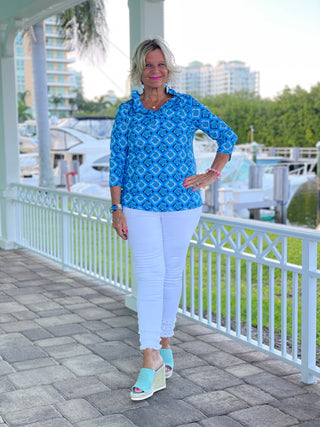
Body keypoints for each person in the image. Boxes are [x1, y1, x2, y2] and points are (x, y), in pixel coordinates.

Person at [109, 38, 238, 401]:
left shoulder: (185, 106)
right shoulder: (127, 112)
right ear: (139, 69)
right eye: (149, 65)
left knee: (171, 273)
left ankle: (165, 343)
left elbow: (226, 136)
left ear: (168, 68)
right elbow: (117, 162)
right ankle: (149, 357)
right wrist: (116, 208)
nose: (155, 70)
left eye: (161, 64)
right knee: (149, 274)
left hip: (183, 204)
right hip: (138, 205)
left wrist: (211, 173)